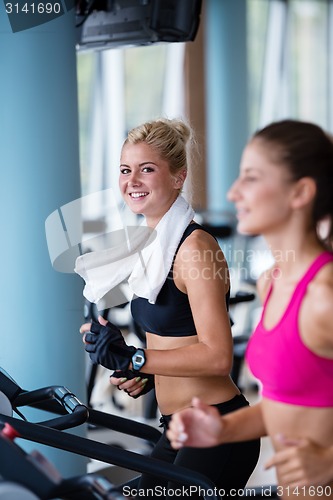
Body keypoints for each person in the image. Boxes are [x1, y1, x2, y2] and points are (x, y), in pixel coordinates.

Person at [77, 118, 260, 498]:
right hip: (176, 425)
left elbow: (217, 358)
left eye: (147, 169)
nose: (133, 181)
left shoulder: (195, 248)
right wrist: (144, 373)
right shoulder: (151, 248)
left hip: (216, 426)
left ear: (178, 178)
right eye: (126, 170)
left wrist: (137, 358)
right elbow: (176, 341)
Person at [166, 119, 333, 499]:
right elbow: (284, 406)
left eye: (251, 178)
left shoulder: (325, 295)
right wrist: (222, 430)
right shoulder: (271, 283)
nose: (233, 192)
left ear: (300, 192)